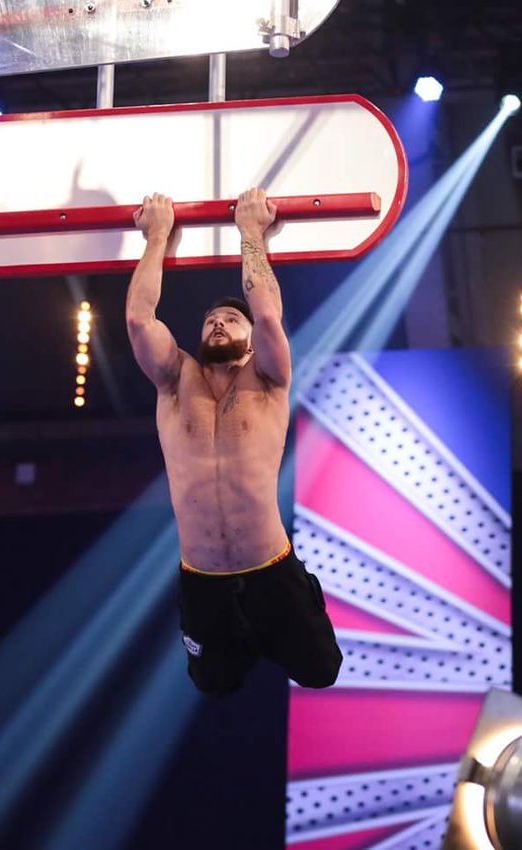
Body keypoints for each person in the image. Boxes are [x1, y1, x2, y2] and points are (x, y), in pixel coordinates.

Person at [125, 188, 343, 696]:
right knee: (214, 685)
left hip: (272, 571)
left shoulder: (268, 378)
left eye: (230, 318)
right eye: (210, 320)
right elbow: (139, 319)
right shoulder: (175, 380)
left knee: (321, 672)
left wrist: (251, 232)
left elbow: (266, 315)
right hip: (203, 579)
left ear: (249, 341)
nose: (218, 322)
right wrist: (157, 235)